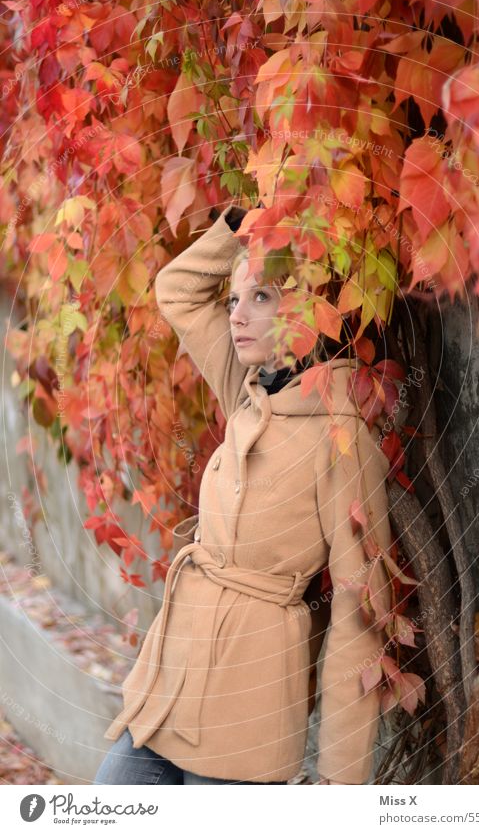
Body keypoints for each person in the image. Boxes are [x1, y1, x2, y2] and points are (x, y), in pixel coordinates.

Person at [94, 203, 392, 785]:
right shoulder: (249, 392)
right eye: (233, 301)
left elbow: (361, 616)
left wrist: (341, 782)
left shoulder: (342, 436)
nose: (236, 317)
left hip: (249, 703)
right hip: (171, 679)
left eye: (261, 298)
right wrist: (239, 225)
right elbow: (178, 292)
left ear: (307, 307)